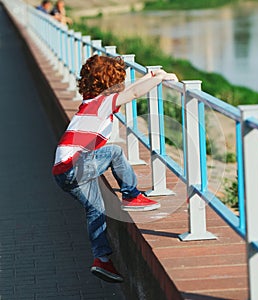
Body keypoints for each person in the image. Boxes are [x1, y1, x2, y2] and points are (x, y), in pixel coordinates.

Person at [52, 55, 178, 283]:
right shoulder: (101, 104)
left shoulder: (90, 102)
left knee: (97, 210)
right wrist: (159, 79)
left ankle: (102, 260)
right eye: (119, 80)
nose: (122, 84)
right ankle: (132, 195)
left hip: (63, 172)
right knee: (114, 152)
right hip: (74, 167)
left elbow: (130, 90)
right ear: (111, 84)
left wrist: (152, 75)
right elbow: (134, 93)